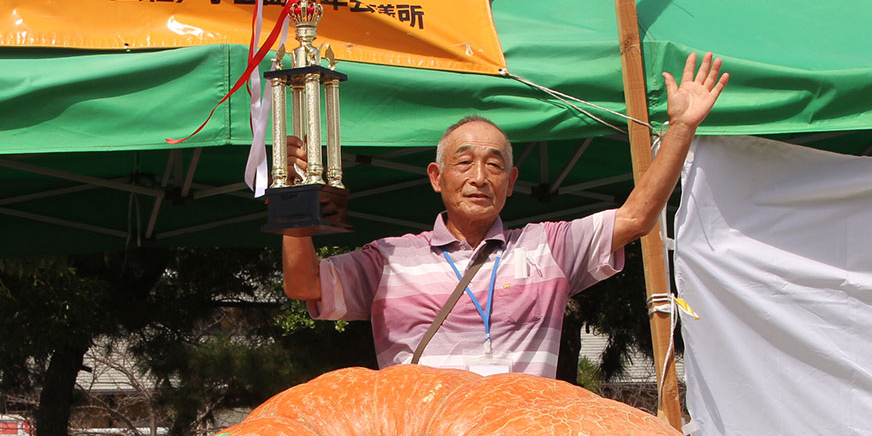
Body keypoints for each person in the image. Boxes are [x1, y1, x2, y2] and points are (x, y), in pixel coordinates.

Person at [282, 52, 729, 378]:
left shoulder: (547, 247)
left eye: (494, 165)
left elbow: (636, 218)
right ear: (436, 177)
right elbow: (303, 285)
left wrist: (681, 128)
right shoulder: (390, 259)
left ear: (511, 182)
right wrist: (294, 195)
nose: (480, 177)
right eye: (464, 163)